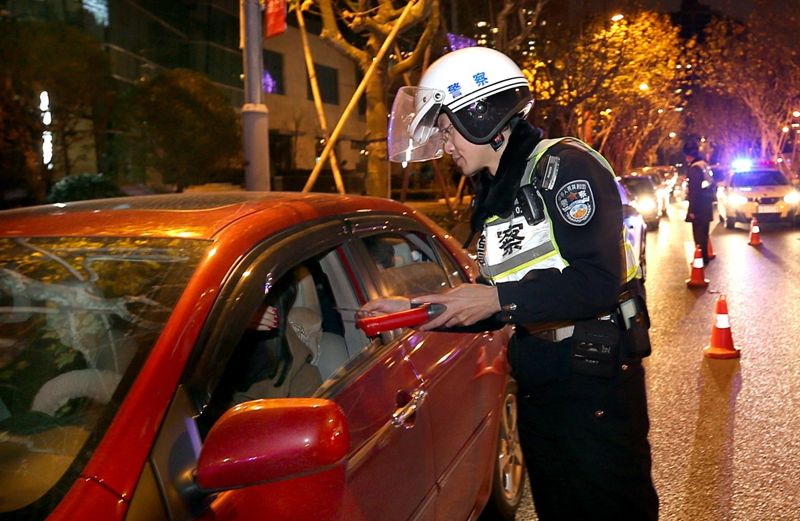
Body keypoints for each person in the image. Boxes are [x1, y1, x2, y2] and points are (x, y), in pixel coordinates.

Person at [367, 46, 658, 520]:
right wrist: (416, 312)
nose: (444, 144)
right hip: (542, 378)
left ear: (482, 115)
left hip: (594, 381)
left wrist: (497, 297)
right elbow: (497, 302)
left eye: (445, 128)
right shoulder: (502, 194)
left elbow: (598, 283)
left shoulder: (563, 169)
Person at [683, 140, 716, 264]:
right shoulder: (704, 165)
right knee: (704, 234)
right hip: (706, 205)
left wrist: (691, 210)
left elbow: (694, 191)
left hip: (699, 208)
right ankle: (704, 257)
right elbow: (712, 184)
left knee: (698, 235)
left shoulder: (694, 168)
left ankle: (700, 259)